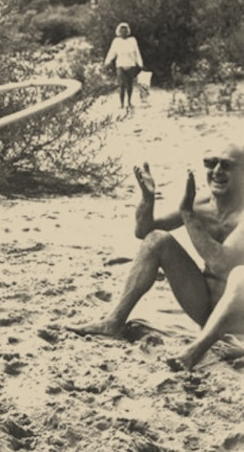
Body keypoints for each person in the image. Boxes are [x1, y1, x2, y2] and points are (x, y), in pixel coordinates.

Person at [69, 142, 244, 371]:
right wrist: (148, 199)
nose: (217, 171)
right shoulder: (201, 203)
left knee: (240, 274)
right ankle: (113, 321)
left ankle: (196, 350)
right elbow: (144, 232)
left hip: (239, 316)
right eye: (211, 163)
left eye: (227, 165)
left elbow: (221, 263)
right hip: (205, 308)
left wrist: (187, 215)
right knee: (157, 239)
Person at [104, 22, 144, 110]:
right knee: (122, 84)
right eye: (122, 30)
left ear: (128, 31)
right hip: (120, 65)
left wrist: (140, 64)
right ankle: (121, 104)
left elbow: (137, 53)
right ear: (119, 31)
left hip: (131, 65)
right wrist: (107, 62)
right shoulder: (116, 41)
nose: (123, 32)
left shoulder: (132, 40)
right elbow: (111, 52)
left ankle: (129, 102)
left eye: (125, 30)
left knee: (130, 85)